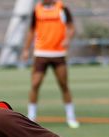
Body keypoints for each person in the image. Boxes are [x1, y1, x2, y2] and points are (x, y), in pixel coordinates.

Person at [20, 0, 79, 128]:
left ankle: (71, 117)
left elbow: (71, 27)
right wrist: (26, 49)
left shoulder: (62, 8)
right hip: (41, 53)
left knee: (63, 85)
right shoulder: (37, 10)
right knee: (35, 84)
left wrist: (68, 39)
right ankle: (31, 117)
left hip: (58, 54)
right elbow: (31, 30)